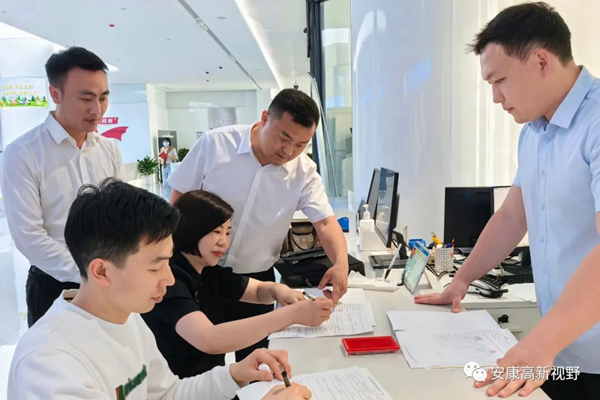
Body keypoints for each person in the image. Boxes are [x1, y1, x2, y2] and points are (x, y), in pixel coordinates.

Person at [414, 3, 600, 399]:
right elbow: (513, 216)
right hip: (563, 348)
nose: (496, 98)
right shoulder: (534, 132)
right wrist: (461, 280)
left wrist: (540, 342)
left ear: (541, 61)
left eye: (500, 80)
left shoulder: (596, 123)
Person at [7, 179, 311, 400]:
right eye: (155, 267)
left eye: (168, 262)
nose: (168, 279)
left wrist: (233, 375)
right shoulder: (49, 361)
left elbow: (167, 394)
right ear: (102, 271)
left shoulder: (128, 318)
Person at [167, 88, 349, 361]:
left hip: (254, 280)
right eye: (284, 138)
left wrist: (341, 264)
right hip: (197, 273)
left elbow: (325, 223)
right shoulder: (215, 145)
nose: (289, 151)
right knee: (196, 358)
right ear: (265, 118)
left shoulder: (304, 171)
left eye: (301, 145)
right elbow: (177, 204)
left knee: (256, 363)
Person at [142, 190, 334, 378]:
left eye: (227, 233)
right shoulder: (171, 278)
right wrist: (292, 315)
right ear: (192, 229)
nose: (223, 242)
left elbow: (257, 291)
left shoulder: (207, 270)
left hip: (210, 381)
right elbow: (209, 338)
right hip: (181, 388)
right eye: (216, 232)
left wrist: (278, 290)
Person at [0, 46, 125, 327]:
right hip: (54, 285)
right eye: (86, 98)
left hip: (108, 282)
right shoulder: (24, 153)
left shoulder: (109, 149)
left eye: (103, 97)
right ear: (55, 94)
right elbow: (29, 236)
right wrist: (88, 273)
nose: (97, 110)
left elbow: (119, 215)